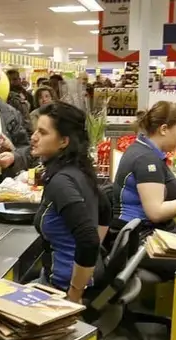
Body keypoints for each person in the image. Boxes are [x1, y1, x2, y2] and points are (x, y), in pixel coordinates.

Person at [111, 101, 176, 276]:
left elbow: (162, 182)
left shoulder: (144, 149)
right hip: (140, 239)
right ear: (164, 129)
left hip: (146, 233)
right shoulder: (146, 160)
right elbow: (155, 212)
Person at [31, 102, 110, 303]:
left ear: (64, 141)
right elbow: (105, 207)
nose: (33, 137)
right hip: (77, 277)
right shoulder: (79, 170)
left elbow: (88, 239)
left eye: (42, 132)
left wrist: (75, 293)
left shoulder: (61, 182)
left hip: (61, 286)